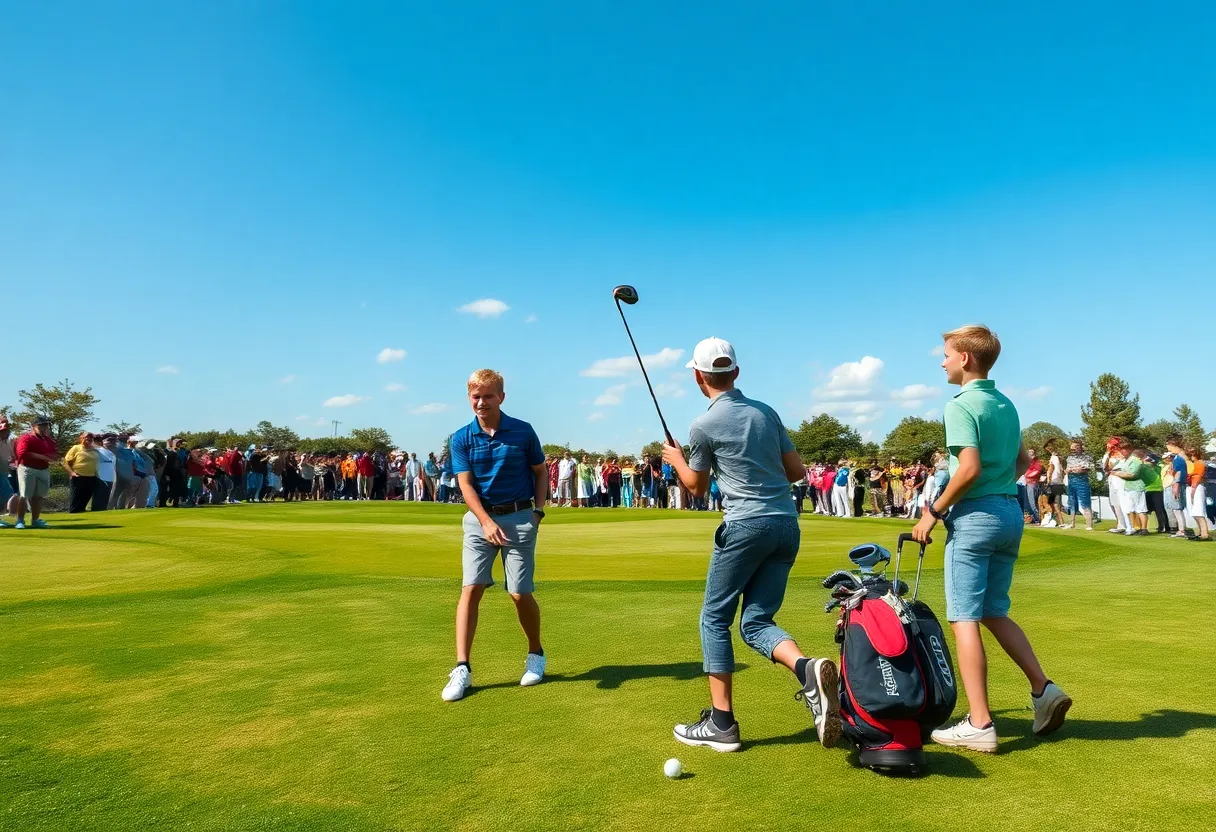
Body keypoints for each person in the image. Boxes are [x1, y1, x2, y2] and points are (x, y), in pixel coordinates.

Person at [661, 337, 841, 753]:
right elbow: (795, 471)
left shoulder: (703, 425)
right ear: (736, 372)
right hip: (786, 525)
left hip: (745, 525)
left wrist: (676, 460)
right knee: (755, 622)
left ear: (698, 376)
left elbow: (696, 488)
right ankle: (807, 669)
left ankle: (722, 725)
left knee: (714, 619)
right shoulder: (766, 412)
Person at [912, 325, 1070, 752]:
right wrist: (997, 486)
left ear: (964, 358)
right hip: (1008, 513)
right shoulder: (1006, 403)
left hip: (975, 518)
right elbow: (1022, 462)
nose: (942, 361)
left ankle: (979, 722)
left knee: (963, 617)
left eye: (946, 354)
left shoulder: (960, 405)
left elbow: (968, 469)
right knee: (993, 611)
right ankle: (1043, 689)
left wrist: (933, 512)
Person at [441, 369, 548, 702]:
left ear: (501, 397)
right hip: (479, 520)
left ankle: (535, 654)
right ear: (468, 398)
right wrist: (486, 521)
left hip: (518, 516)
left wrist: (537, 512)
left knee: (519, 593)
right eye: (476, 396)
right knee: (471, 589)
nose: (481, 402)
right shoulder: (461, 437)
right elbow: (465, 485)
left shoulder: (523, 431)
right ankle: (462, 667)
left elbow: (540, 472)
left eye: (488, 396)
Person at [12, 415, 59, 528]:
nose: (44, 428)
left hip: (43, 469)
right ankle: (20, 520)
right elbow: (22, 453)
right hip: (27, 468)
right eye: (41, 426)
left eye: (45, 426)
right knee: (24, 496)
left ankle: (35, 520)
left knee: (39, 496)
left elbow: (54, 453)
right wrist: (44, 457)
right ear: (33, 426)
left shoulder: (48, 440)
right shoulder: (26, 437)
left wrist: (52, 456)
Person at [1108, 442, 1148, 535]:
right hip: (1128, 487)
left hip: (1137, 487)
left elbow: (1132, 474)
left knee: (1140, 509)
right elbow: (1113, 468)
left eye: (1124, 451)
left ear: (1130, 450)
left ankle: (1144, 529)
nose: (1122, 453)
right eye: (1121, 451)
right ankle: (1136, 527)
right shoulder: (1124, 460)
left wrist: (1117, 474)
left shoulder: (1136, 460)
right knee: (1130, 509)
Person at [1063, 439, 1095, 531]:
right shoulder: (1069, 458)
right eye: (1073, 447)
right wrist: (1068, 470)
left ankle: (1089, 524)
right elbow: (1066, 470)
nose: (1075, 449)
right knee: (1072, 502)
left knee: (1085, 502)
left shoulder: (1087, 457)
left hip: (1082, 482)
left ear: (1081, 447)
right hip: (1071, 482)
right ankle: (1071, 523)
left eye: (1077, 447)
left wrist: (1078, 470)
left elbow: (1087, 468)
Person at [1101, 438, 1130, 535]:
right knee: (1114, 502)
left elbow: (1114, 466)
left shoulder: (1121, 454)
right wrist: (1107, 454)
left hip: (1120, 477)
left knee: (1121, 501)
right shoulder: (1109, 455)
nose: (1109, 447)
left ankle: (1127, 525)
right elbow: (1104, 467)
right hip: (1111, 477)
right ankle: (1121, 524)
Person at [0, 416, 17, 526]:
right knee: (7, 493)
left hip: (4, 472)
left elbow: (10, 458)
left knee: (6, 494)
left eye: (7, 431)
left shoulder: (7, 442)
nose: (6, 433)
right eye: (3, 431)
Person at [94, 434, 118, 511]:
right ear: (103, 441)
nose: (111, 442)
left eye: (114, 440)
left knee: (109, 503)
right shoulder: (97, 451)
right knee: (99, 502)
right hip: (101, 479)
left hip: (113, 480)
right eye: (109, 440)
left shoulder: (115, 453)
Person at [1023, 448, 1043, 524]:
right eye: (1029, 452)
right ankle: (1033, 518)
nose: (1030, 453)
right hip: (1025, 483)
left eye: (1031, 452)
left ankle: (1038, 518)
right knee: (1027, 503)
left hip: (1032, 483)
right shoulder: (1027, 463)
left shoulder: (1037, 463)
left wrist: (1026, 475)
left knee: (1032, 502)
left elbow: (1037, 471)